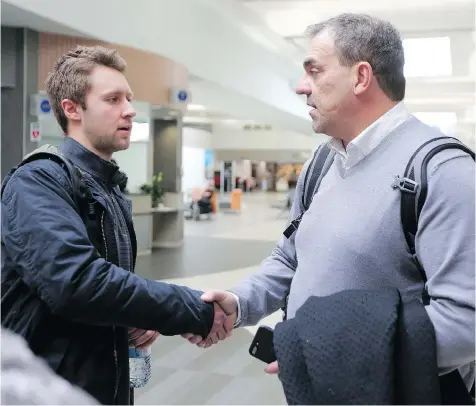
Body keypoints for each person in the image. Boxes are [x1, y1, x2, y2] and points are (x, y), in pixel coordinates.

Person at [183, 13, 475, 389]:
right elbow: (290, 258)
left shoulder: (442, 171)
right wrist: (239, 302)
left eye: (314, 70)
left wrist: (330, 352)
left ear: (361, 77)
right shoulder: (322, 163)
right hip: (325, 383)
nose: (302, 87)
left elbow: (466, 320)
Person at [1, 45, 233, 405]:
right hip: (48, 388)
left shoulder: (108, 187)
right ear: (72, 109)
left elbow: (107, 289)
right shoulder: (38, 181)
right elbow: (75, 282)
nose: (130, 109)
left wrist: (133, 315)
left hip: (103, 385)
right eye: (113, 99)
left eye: (129, 97)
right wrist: (193, 310)